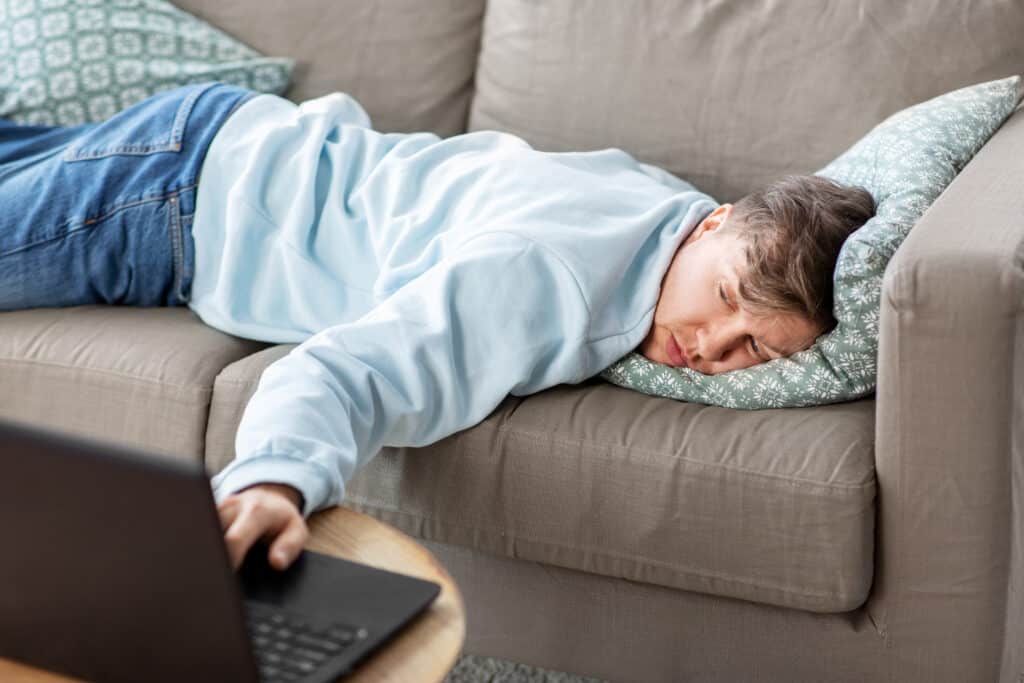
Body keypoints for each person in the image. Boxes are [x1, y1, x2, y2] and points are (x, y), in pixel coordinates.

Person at [0, 82, 875, 573]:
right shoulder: (548, 280)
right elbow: (345, 373)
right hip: (167, 202)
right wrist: (274, 480)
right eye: (724, 301)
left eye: (756, 350)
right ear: (715, 223)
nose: (710, 350)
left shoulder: (657, 199)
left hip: (220, 136)